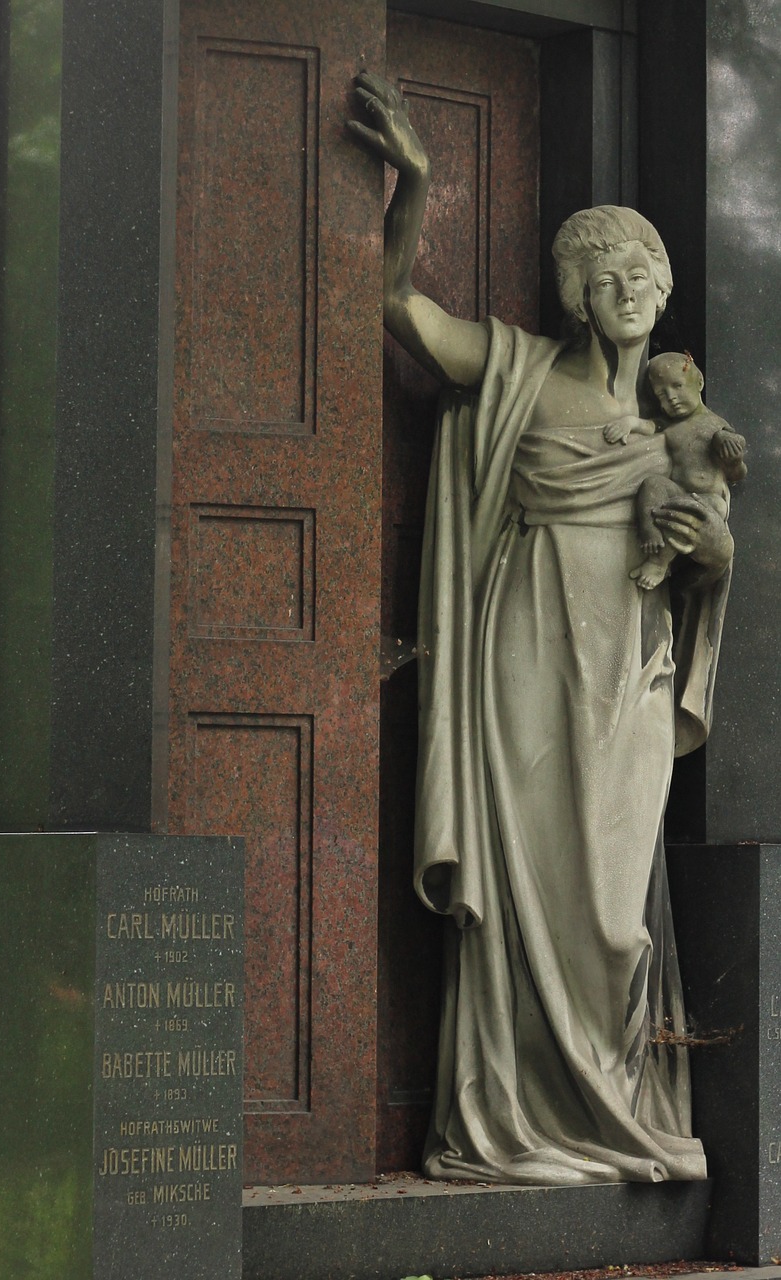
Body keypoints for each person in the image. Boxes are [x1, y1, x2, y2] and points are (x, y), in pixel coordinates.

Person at [350, 72, 734, 1185]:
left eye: (646, 274)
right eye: (607, 273)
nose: (629, 287)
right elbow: (398, 308)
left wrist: (707, 550)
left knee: (614, 904)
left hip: (630, 663)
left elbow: (714, 561)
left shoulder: (679, 427)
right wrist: (413, 185)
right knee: (530, 878)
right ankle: (512, 1112)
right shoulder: (516, 369)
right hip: (524, 643)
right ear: (575, 292)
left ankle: (606, 1104)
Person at [603, 353, 746, 589]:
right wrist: (628, 423)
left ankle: (659, 562)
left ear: (699, 382)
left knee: (687, 514)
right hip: (677, 490)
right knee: (652, 484)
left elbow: (737, 472)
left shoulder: (715, 426)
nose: (671, 397)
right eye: (661, 394)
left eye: (678, 386)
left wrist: (733, 458)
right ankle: (651, 534)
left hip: (710, 499)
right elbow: (647, 426)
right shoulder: (669, 423)